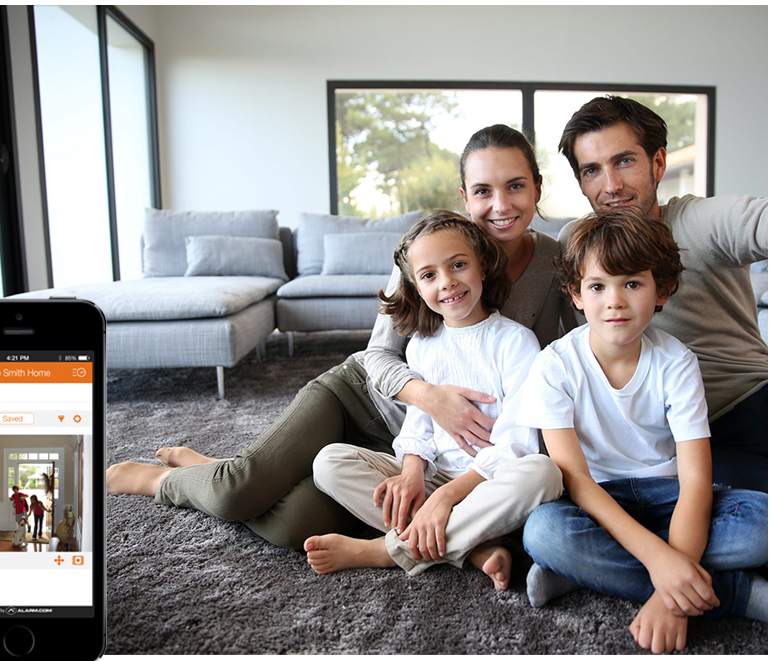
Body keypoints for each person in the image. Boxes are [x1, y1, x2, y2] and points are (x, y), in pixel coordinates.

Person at [106, 124, 571, 550]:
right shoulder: (433, 250)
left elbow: (566, 358)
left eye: (515, 186)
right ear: (465, 197)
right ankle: (165, 479)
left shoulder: (554, 264)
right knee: (237, 493)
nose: (501, 205)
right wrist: (430, 398)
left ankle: (233, 471)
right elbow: (378, 355)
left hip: (417, 448)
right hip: (360, 398)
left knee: (292, 525)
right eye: (483, 191)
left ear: (536, 187)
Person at [518, 209, 768, 654]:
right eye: (597, 286)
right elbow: (576, 480)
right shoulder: (553, 366)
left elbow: (695, 483)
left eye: (632, 284)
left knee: (763, 524)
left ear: (662, 291)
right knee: (544, 533)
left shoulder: (677, 362)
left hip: (670, 497)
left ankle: (586, 574)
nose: (614, 301)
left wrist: (668, 599)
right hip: (598, 500)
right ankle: (735, 594)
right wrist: (659, 560)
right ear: (576, 294)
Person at [305, 211, 562, 586]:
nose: (447, 283)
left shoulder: (516, 342)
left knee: (544, 474)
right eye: (429, 275)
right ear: (416, 286)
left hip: (486, 484)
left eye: (458, 265)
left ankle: (389, 550)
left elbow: (518, 444)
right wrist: (411, 473)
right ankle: (472, 546)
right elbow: (419, 423)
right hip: (432, 475)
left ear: (483, 266)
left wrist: (446, 498)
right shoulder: (423, 346)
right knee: (329, 462)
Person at [557, 95, 768, 492]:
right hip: (654, 435)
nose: (611, 186)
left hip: (742, 405)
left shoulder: (702, 222)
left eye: (624, 161)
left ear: (657, 162)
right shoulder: (577, 242)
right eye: (592, 170)